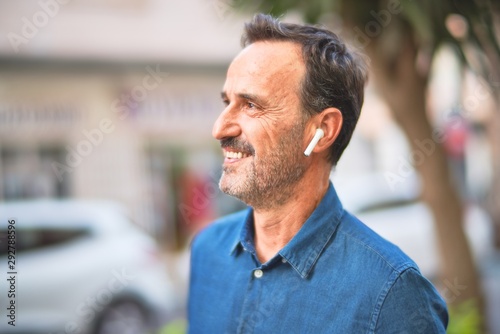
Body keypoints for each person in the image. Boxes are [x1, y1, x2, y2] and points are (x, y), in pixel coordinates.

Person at [188, 13, 448, 333]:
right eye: (227, 101)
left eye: (251, 105)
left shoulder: (392, 294)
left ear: (322, 131)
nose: (219, 128)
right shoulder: (207, 251)